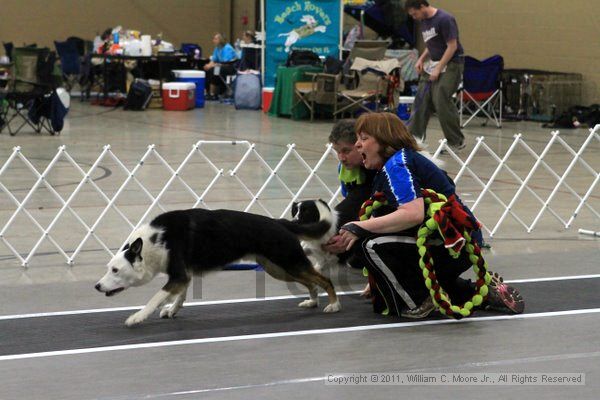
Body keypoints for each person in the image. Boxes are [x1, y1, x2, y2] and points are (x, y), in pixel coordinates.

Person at [332, 112, 523, 318]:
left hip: (451, 245)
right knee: (382, 295)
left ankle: (421, 298)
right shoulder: (395, 165)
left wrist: (358, 227)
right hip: (451, 244)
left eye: (364, 138)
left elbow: (412, 214)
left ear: (384, 140)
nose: (358, 145)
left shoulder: (397, 165)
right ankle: (480, 292)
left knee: (368, 245)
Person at [405, 0, 465, 151]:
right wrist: (421, 58)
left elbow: (452, 46)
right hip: (433, 62)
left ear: (422, 6)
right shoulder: (423, 21)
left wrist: (439, 68)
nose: (414, 17)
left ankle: (455, 140)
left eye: (415, 13)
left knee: (441, 98)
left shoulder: (445, 19)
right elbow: (431, 43)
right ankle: (414, 139)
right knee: (421, 99)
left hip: (451, 63)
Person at [203, 33, 237, 100]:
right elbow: (214, 60)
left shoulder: (227, 48)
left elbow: (226, 62)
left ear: (220, 40)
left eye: (215, 39)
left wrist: (212, 66)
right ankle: (208, 92)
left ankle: (213, 93)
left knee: (214, 70)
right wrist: (208, 65)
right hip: (221, 66)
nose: (213, 40)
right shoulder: (217, 48)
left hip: (230, 67)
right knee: (207, 70)